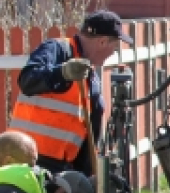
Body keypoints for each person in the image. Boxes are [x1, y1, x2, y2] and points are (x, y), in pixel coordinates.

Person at [10, 10, 132, 174]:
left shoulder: (91, 79)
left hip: (61, 168)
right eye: (115, 47)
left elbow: (87, 137)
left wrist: (88, 177)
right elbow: (27, 80)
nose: (114, 53)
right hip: (25, 160)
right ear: (103, 42)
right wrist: (63, 73)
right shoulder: (57, 50)